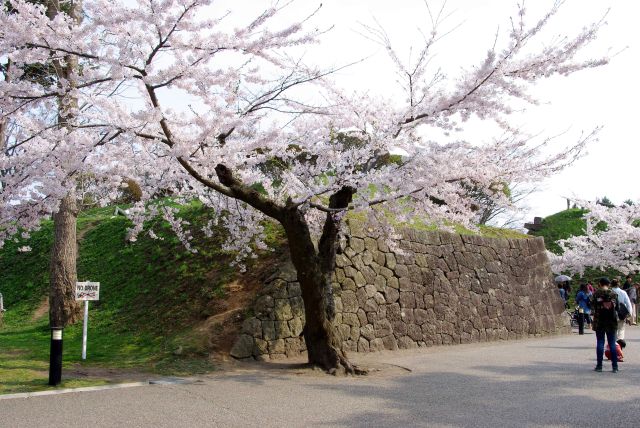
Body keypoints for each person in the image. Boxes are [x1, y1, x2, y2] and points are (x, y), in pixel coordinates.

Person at [591, 277, 619, 373]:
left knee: (600, 342)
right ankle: (615, 367)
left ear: (600, 283)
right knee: (612, 343)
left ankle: (599, 366)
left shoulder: (596, 293)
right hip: (611, 321)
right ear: (609, 284)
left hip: (600, 321)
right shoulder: (613, 294)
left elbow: (593, 305)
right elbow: (618, 307)